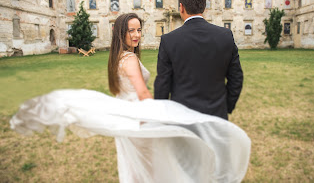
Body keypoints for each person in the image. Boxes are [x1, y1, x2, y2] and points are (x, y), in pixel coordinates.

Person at [10, 13, 250, 182]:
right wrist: (160, 115)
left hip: (128, 119)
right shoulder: (131, 59)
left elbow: (119, 91)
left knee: (135, 165)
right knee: (150, 166)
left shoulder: (117, 57)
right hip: (140, 120)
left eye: (138, 29)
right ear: (120, 33)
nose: (136, 35)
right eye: (131, 30)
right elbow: (143, 93)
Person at [154, 0, 243, 120]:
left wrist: (163, 115)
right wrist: (226, 107)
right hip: (216, 115)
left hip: (182, 117)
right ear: (204, 6)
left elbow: (162, 85)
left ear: (181, 7)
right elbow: (236, 78)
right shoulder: (225, 36)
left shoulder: (169, 40)